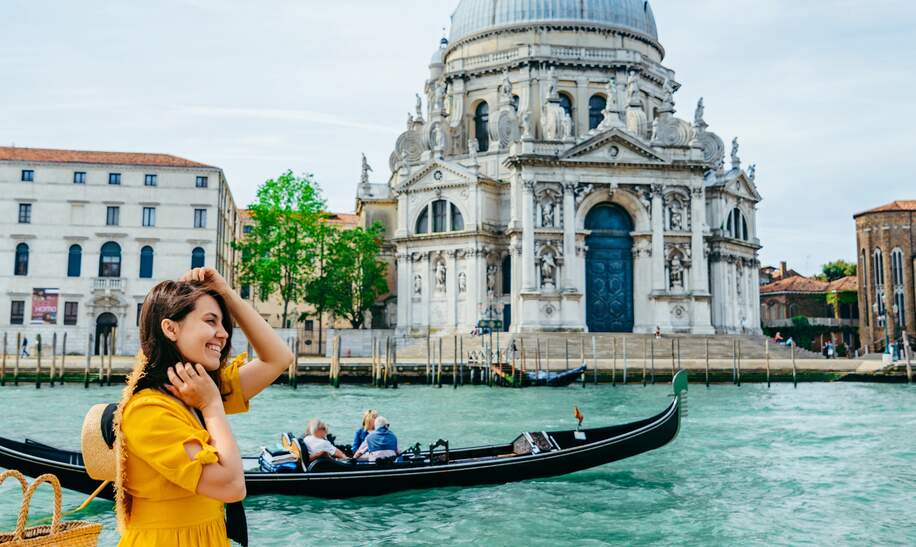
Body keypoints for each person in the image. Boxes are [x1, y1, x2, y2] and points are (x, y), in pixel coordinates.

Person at [116, 267, 294, 547]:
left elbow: (279, 359)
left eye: (223, 323)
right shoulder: (148, 411)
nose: (223, 334)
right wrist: (212, 405)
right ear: (170, 328)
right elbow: (232, 487)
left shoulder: (194, 391)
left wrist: (227, 294)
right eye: (211, 321)